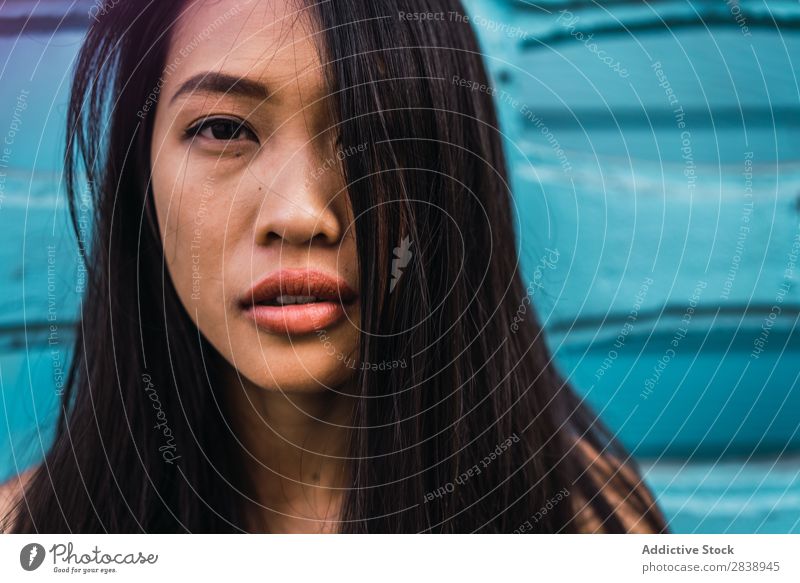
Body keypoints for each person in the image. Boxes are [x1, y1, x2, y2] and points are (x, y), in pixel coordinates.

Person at [0, 0, 667, 533]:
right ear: (140, 177)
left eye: (372, 130)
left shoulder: (591, 531)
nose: (299, 214)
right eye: (225, 130)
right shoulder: (26, 535)